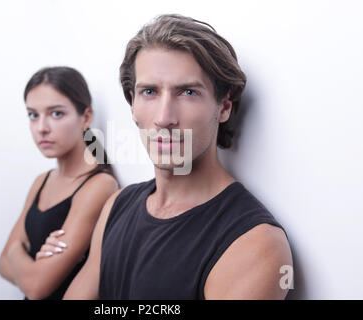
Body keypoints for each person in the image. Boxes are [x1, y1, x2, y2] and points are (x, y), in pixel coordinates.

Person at [52, 14, 292, 299]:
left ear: (224, 106)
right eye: (150, 92)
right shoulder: (117, 205)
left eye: (188, 92)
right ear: (132, 104)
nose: (164, 118)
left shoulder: (255, 243)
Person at [0, 66, 119, 300]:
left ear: (85, 117)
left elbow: (36, 288)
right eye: (33, 115)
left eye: (56, 114)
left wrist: (16, 250)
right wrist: (19, 256)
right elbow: (2, 264)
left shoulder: (99, 185)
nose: (42, 128)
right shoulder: (42, 181)